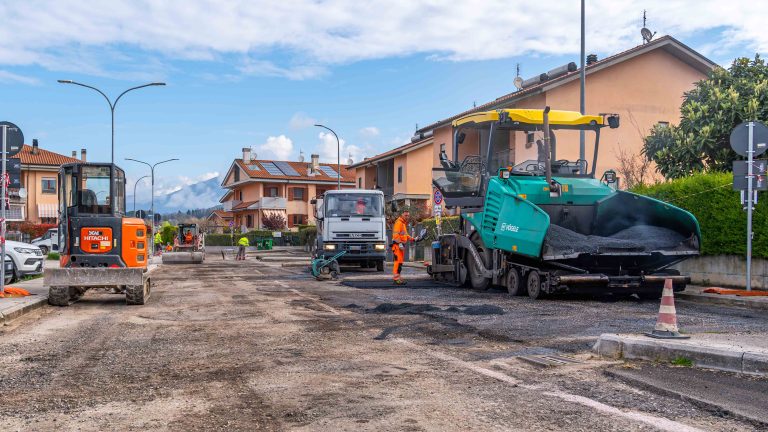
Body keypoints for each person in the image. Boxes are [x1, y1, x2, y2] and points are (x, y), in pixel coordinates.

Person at [391, 210, 414, 285]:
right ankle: (396, 279)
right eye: (405, 215)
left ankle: (398, 278)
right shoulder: (399, 223)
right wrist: (400, 243)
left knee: (400, 263)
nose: (407, 217)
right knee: (397, 263)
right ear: (402, 215)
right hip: (397, 246)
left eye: (408, 215)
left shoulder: (403, 224)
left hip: (400, 246)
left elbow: (405, 235)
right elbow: (395, 235)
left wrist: (413, 239)